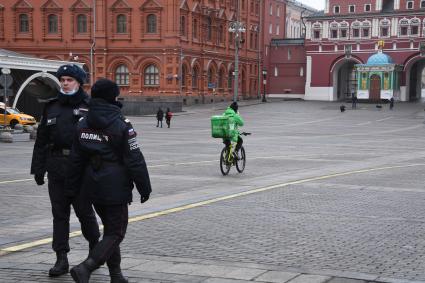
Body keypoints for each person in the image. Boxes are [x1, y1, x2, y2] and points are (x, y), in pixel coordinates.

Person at [66, 78, 152, 283]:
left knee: (109, 232)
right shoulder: (121, 124)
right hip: (115, 186)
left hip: (92, 186)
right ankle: (86, 267)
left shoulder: (82, 123)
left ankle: (116, 275)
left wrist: (72, 189)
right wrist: (144, 187)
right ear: (113, 97)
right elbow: (135, 159)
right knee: (116, 232)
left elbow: (75, 160)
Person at [30, 64, 100, 277]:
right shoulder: (51, 106)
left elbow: (100, 140)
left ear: (79, 82)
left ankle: (94, 251)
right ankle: (61, 258)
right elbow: (41, 140)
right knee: (59, 215)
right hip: (57, 168)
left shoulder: (91, 105)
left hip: (81, 171)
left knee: (85, 214)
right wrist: (38, 169)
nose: (65, 83)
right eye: (63, 80)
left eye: (70, 80)